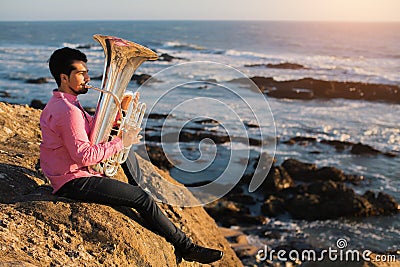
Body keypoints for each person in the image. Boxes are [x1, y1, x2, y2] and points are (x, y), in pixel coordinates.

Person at [39, 47, 223, 264]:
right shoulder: (66, 111)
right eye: (81, 73)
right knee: (142, 199)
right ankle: (187, 247)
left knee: (130, 161)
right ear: (63, 77)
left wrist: (120, 112)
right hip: (72, 181)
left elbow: (92, 131)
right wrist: (120, 142)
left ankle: (143, 201)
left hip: (74, 173)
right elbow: (84, 156)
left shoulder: (68, 103)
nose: (88, 78)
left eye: (87, 72)